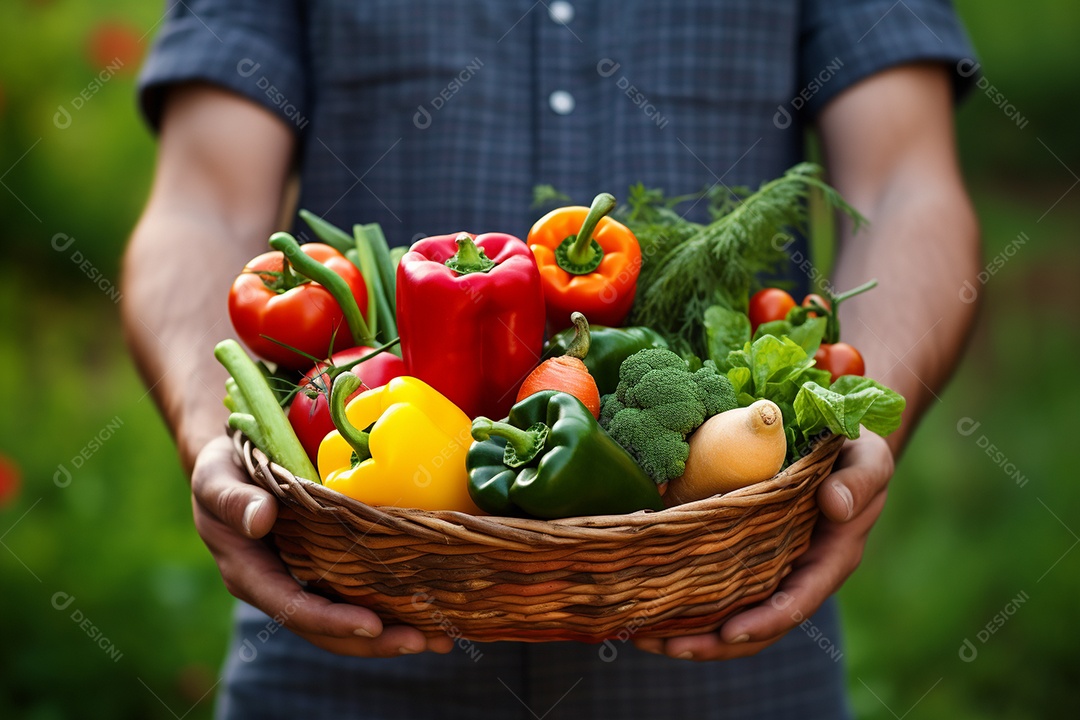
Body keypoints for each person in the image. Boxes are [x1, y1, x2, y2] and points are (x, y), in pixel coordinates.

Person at [122, 1, 981, 717]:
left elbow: (906, 187)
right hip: (344, 652)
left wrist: (863, 422)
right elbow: (202, 202)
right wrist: (210, 431)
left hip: (730, 652)